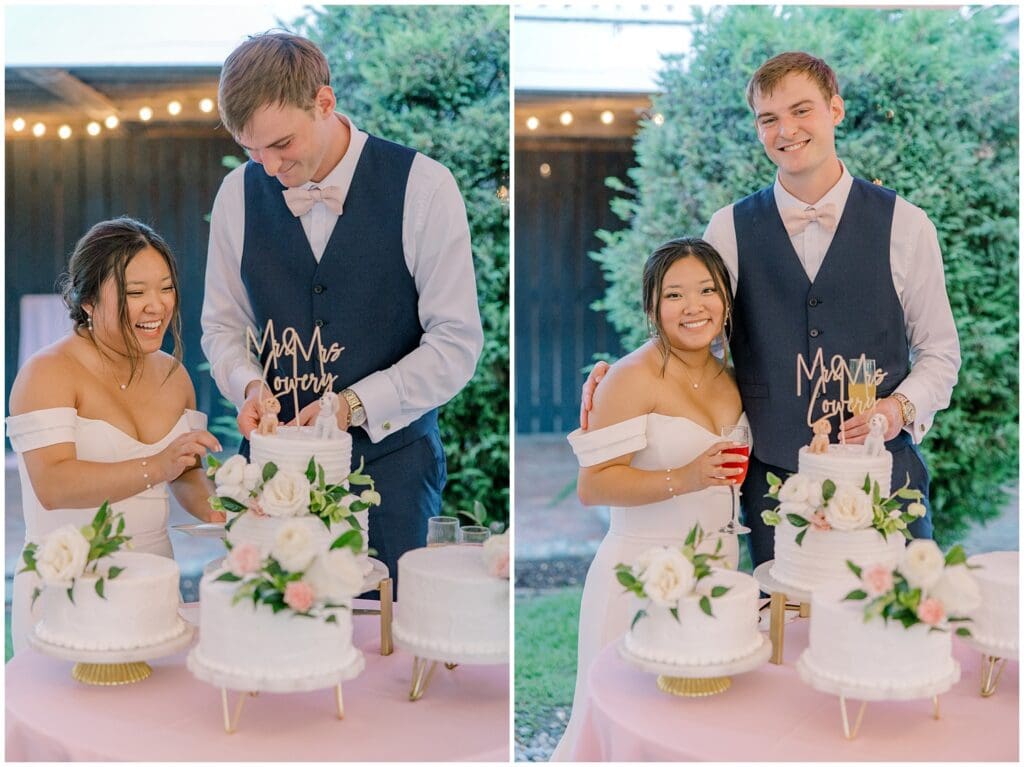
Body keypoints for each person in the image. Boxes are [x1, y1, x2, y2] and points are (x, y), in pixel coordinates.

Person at [582, 52, 960, 568]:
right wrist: (620, 376)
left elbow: (940, 352)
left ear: (835, 109)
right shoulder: (729, 229)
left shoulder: (906, 225)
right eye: (769, 119)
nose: (787, 130)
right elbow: (695, 333)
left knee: (895, 629)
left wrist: (898, 409)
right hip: (772, 484)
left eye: (802, 110)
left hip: (883, 475)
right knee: (779, 638)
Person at [201, 33, 483, 586]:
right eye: (251, 150)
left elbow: (456, 343)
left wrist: (354, 404)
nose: (268, 165)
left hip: (393, 472)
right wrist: (250, 387)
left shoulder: (424, 187)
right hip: (271, 479)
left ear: (325, 103)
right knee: (276, 639)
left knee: (393, 643)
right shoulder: (237, 194)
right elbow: (222, 326)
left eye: (281, 144)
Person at [553, 238, 748, 760]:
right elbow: (593, 485)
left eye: (708, 291)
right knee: (633, 737)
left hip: (717, 574)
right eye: (675, 295)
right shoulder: (628, 377)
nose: (694, 307)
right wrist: (683, 477)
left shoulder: (734, 378)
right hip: (638, 578)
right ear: (652, 306)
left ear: (726, 301)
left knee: (697, 735)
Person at [7, 218, 223, 654]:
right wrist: (157, 465)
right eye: (135, 293)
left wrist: (236, 514)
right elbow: (53, 484)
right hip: (67, 590)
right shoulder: (47, 372)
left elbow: (187, 476)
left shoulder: (174, 375)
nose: (157, 306)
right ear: (86, 300)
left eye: (165, 288)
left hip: (153, 588)